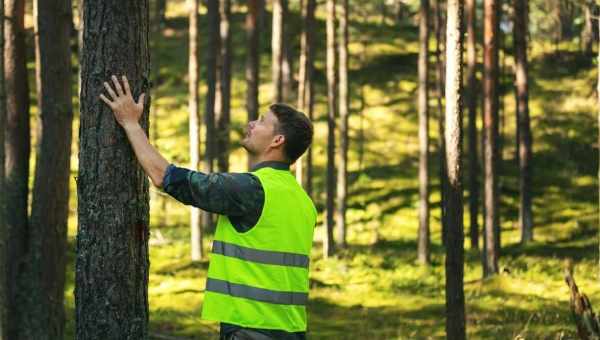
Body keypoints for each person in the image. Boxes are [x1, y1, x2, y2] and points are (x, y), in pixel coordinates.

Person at [100, 75, 317, 340]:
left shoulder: (252, 189)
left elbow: (165, 176)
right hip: (291, 331)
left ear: (277, 140)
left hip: (251, 330)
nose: (251, 123)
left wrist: (131, 123)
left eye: (261, 121)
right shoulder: (302, 201)